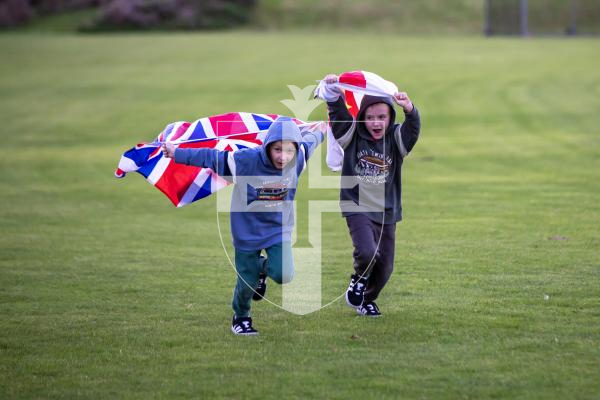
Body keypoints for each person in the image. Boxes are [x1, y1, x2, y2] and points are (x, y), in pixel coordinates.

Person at [162, 117, 323, 335]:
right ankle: (241, 316)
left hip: (278, 229)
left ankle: (260, 270)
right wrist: (176, 152)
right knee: (246, 283)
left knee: (284, 274)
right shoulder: (246, 161)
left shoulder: (300, 157)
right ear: (268, 145)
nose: (283, 157)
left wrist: (326, 125)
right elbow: (211, 157)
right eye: (277, 149)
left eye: (288, 151)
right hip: (247, 231)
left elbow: (314, 138)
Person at [322, 73, 421, 317]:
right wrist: (333, 90)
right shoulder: (351, 136)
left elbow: (413, 129)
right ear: (362, 118)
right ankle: (358, 278)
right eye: (370, 117)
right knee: (367, 252)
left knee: (385, 266)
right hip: (357, 205)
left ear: (390, 117)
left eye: (382, 117)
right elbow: (337, 115)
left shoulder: (397, 138)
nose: (376, 123)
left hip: (387, 209)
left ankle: (367, 298)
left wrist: (410, 109)